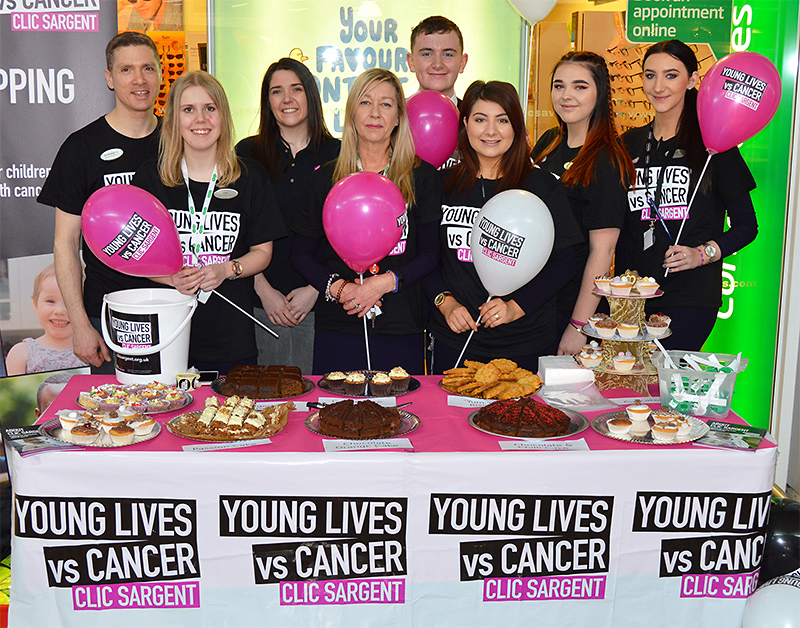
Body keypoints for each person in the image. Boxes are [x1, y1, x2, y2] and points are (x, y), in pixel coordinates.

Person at [133, 71, 286, 375]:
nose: (200, 119)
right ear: (174, 119)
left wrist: (226, 269)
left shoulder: (250, 176)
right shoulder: (150, 178)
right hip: (167, 333)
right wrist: (171, 279)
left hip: (231, 337)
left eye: (210, 108)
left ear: (223, 116)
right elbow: (138, 257)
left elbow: (263, 253)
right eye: (188, 110)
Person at [291, 68, 442, 374]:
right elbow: (300, 254)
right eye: (365, 102)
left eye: (386, 104)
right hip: (338, 327)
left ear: (399, 117)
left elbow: (430, 255)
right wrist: (339, 288)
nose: (375, 113)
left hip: (402, 327)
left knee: (400, 416)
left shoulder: (422, 177)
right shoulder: (326, 178)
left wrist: (382, 284)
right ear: (351, 114)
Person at [426, 80, 583, 374]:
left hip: (526, 342)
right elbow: (426, 257)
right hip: (456, 340)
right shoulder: (441, 184)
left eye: (502, 120)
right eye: (480, 119)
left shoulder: (542, 186)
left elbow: (564, 263)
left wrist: (516, 306)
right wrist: (445, 302)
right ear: (465, 125)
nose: (490, 131)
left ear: (517, 128)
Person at [619, 40, 758, 350]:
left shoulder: (714, 146)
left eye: (671, 75)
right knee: (628, 391)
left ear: (693, 80)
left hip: (689, 299)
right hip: (631, 296)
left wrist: (701, 253)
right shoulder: (628, 143)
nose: (658, 86)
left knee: (667, 390)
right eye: (649, 75)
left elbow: (747, 226)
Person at [41, 32, 162, 373]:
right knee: (118, 421)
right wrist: (79, 324)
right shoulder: (81, 148)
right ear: (109, 78)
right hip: (109, 315)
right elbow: (65, 242)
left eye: (147, 68)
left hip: (177, 308)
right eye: (126, 70)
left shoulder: (180, 142)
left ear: (161, 74)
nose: (139, 80)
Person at [236, 58, 341, 374]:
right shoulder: (246, 153)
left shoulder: (340, 153)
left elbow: (349, 235)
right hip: (260, 301)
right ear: (267, 101)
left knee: (317, 403)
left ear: (311, 94)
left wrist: (316, 287)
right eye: (276, 91)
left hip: (325, 302)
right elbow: (234, 228)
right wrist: (262, 289)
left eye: (296, 89)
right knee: (267, 402)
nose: (287, 99)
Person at [532, 51, 635, 355]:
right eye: (559, 85)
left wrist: (579, 326)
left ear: (600, 92)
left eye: (580, 86)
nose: (566, 96)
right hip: (536, 298)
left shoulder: (607, 159)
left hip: (570, 305)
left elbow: (602, 253)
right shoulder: (548, 142)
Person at [5, 265, 87, 375]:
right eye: (50, 301)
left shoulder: (94, 352)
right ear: (36, 306)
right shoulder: (21, 353)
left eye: (70, 303)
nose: (59, 311)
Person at [407, 15, 468, 106]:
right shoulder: (394, 117)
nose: (438, 65)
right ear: (411, 62)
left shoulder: (475, 117)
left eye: (448, 55)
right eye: (427, 54)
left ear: (462, 63)